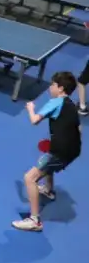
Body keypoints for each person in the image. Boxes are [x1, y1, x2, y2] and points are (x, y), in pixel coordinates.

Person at [13, 71, 82, 232]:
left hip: (60, 151)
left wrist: (30, 108)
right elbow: (78, 130)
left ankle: (34, 220)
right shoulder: (71, 104)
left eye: (53, 84)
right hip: (73, 150)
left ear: (61, 88)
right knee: (47, 162)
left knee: (30, 178)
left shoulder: (55, 102)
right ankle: (48, 190)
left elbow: (35, 120)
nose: (50, 87)